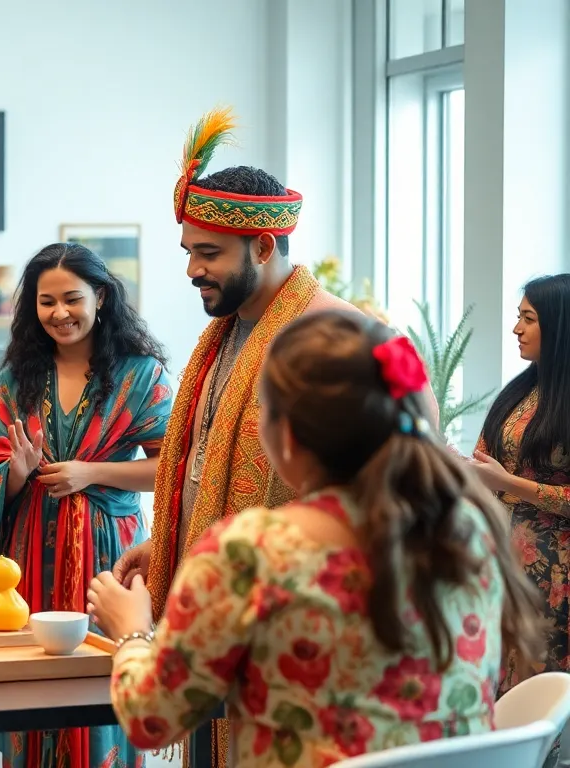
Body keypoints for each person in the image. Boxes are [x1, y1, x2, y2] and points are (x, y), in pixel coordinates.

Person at [113, 107, 440, 768]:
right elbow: (208, 459)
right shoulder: (224, 335)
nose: (192, 270)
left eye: (209, 253)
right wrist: (173, 536)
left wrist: (134, 630)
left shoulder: (337, 336)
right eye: (188, 253)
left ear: (263, 246)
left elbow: (411, 469)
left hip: (304, 635)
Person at [90, 309, 543, 767]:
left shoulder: (252, 554)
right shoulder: (466, 530)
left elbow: (152, 720)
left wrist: (130, 627)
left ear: (285, 437)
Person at [0, 242, 173, 768]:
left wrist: (91, 472)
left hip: (110, 553)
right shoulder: (16, 377)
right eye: (46, 302)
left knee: (104, 686)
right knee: (31, 689)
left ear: (100, 297)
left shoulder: (143, 374)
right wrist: (16, 471)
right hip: (28, 555)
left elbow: (171, 471)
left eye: (71, 299)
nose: (59, 313)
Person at [472, 277, 570, 699]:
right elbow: (485, 456)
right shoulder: (520, 391)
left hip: (554, 574)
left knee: (535, 694)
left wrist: (506, 483)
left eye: (528, 319)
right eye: (519, 317)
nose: (517, 329)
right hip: (500, 564)